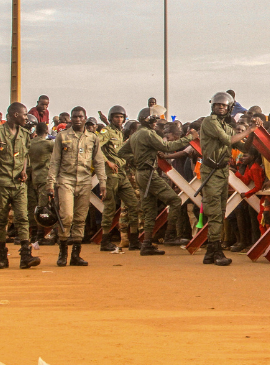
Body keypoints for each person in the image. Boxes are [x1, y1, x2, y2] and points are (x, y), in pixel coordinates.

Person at [119, 108, 198, 256]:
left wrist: (136, 161)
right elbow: (168, 147)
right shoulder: (148, 134)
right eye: (153, 120)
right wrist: (190, 138)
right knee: (175, 201)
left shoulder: (136, 135)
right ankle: (170, 235)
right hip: (149, 174)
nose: (156, 123)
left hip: (140, 173)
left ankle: (147, 243)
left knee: (149, 210)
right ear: (146, 120)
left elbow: (121, 152)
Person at [200, 92, 258, 265]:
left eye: (224, 105)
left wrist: (253, 132)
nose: (220, 107)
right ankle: (216, 251)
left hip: (222, 171)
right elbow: (227, 140)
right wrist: (249, 130)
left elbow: (244, 147)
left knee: (220, 210)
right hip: (211, 170)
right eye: (218, 105)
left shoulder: (226, 125)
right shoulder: (210, 122)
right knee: (215, 212)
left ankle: (211, 252)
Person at [46, 107, 106, 267]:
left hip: (85, 181)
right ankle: (62, 252)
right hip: (65, 180)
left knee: (80, 219)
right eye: (75, 117)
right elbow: (55, 161)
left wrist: (103, 182)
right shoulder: (62, 136)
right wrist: (50, 183)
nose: (78, 119)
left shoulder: (93, 138)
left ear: (85, 118)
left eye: (80, 116)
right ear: (70, 119)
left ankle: (76, 255)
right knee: (66, 217)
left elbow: (99, 161)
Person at [0, 103, 38, 269]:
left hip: (19, 184)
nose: (25, 118)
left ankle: (26, 255)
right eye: (23, 115)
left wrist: (23, 171)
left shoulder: (24, 133)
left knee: (22, 218)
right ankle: (2, 256)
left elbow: (25, 155)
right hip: (1, 183)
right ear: (15, 114)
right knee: (0, 220)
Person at [97, 106, 140, 252]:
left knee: (134, 204)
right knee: (109, 207)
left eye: (121, 117)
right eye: (116, 117)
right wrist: (107, 161)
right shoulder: (106, 132)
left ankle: (134, 239)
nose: (119, 119)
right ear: (111, 118)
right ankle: (105, 240)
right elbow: (95, 146)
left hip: (122, 173)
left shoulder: (120, 133)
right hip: (111, 174)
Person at [27, 122, 54, 246]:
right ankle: (39, 235)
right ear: (47, 131)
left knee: (34, 205)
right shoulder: (47, 144)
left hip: (34, 177)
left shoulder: (30, 143)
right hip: (45, 177)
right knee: (42, 206)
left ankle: (34, 233)